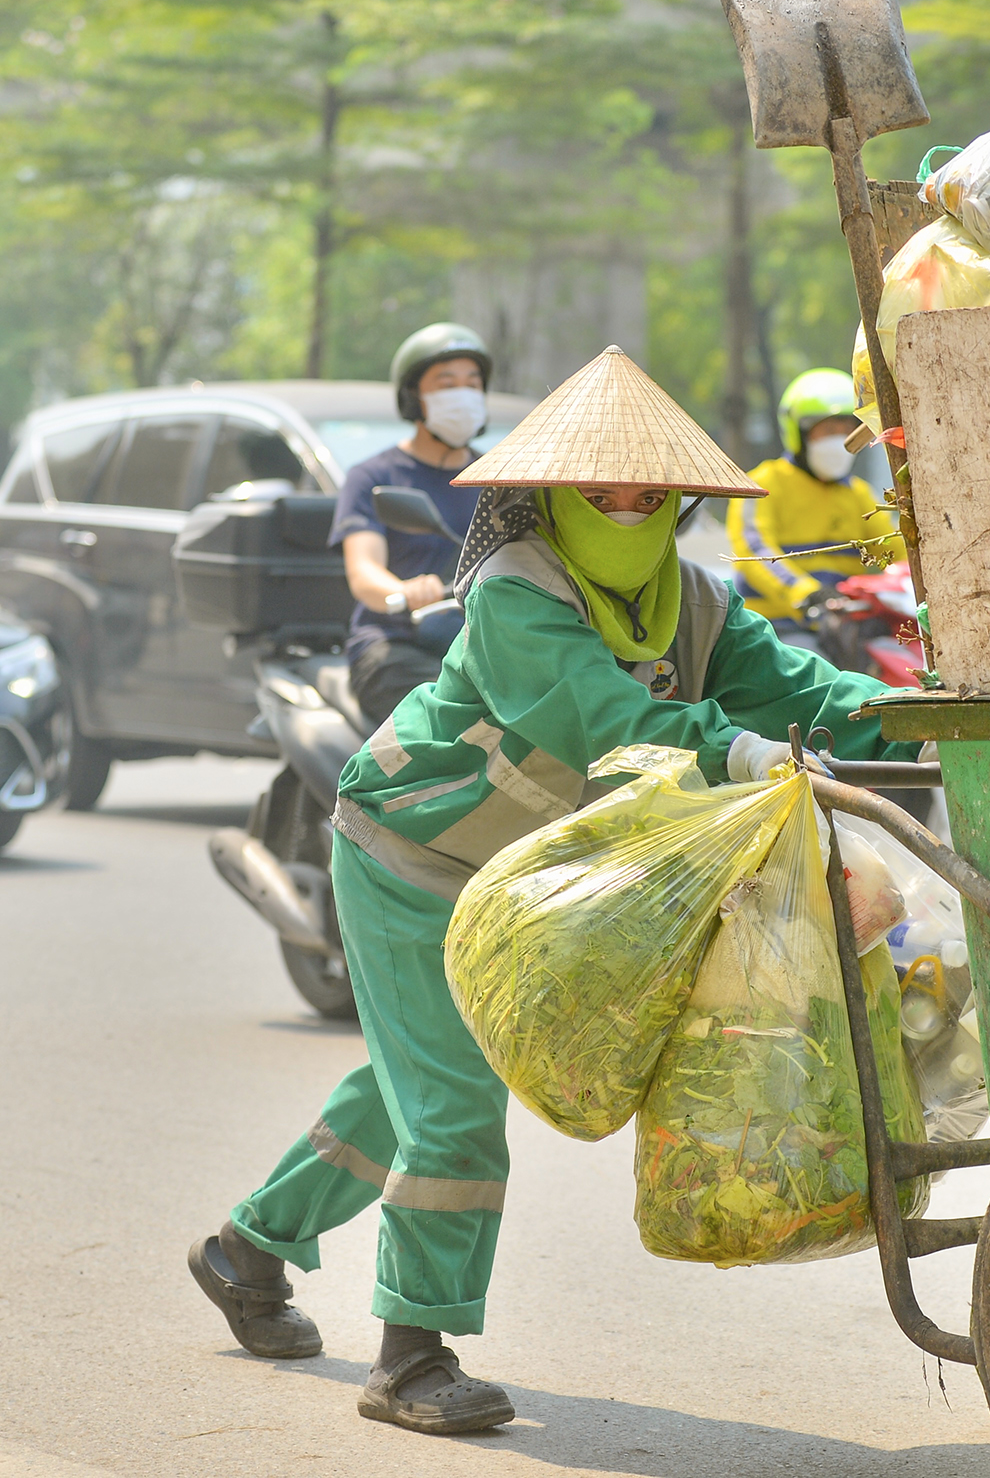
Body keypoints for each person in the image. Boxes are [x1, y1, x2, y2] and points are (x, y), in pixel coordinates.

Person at [188, 346, 924, 1435]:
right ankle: (410, 1354)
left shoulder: (695, 602)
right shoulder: (514, 593)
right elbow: (600, 719)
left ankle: (244, 1250)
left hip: (524, 880)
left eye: (647, 495)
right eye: (601, 494)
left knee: (413, 1087)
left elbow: (805, 689)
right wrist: (732, 752)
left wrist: (927, 709)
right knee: (453, 1108)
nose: (626, 509)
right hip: (406, 856)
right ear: (550, 497)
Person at [330, 322, 496, 721]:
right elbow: (364, 570)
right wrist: (404, 591)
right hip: (396, 645)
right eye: (446, 383)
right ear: (412, 397)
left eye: (472, 384)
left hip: (486, 646)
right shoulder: (373, 477)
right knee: (459, 717)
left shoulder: (499, 479)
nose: (463, 394)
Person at [727, 368, 901, 651]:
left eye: (848, 430)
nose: (840, 439)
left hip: (846, 626)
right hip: (777, 627)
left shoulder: (858, 494)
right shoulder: (761, 485)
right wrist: (807, 594)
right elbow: (756, 551)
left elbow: (896, 555)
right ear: (800, 433)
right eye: (829, 430)